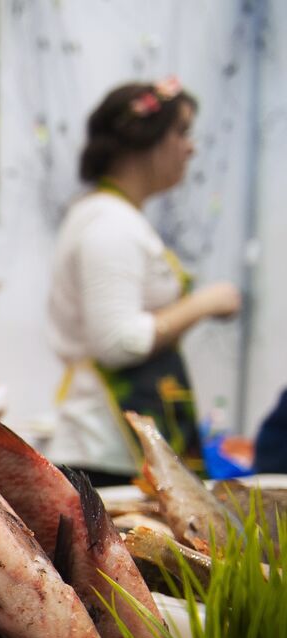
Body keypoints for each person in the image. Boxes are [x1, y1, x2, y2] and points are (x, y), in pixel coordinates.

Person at [47, 77, 241, 484]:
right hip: (109, 453)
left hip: (117, 450)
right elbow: (119, 342)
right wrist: (205, 303)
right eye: (182, 132)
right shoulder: (110, 224)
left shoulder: (115, 217)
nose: (191, 147)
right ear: (145, 139)